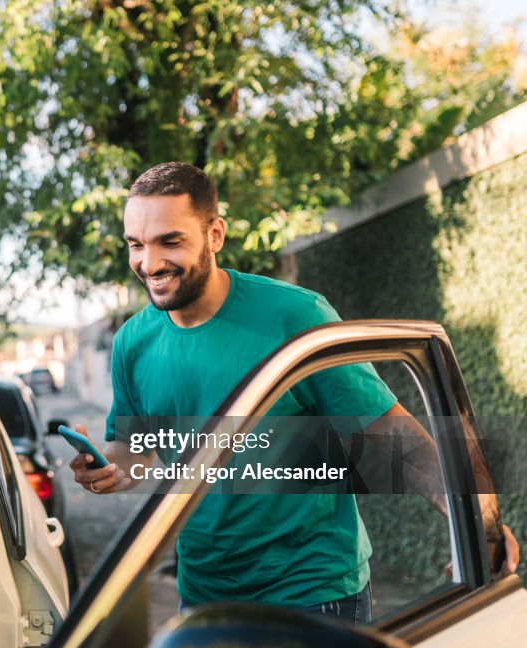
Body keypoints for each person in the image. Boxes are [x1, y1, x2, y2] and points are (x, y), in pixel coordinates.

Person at [69, 161, 519, 623]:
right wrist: (111, 470)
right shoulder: (132, 343)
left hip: (315, 593)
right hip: (205, 597)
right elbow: (134, 448)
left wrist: (475, 523)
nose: (149, 262)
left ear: (215, 234)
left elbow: (387, 431)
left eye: (170, 241)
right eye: (136, 245)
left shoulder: (295, 316)